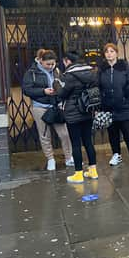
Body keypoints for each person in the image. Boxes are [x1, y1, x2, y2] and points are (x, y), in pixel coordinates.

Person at [22, 49, 73, 171]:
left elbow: (62, 84)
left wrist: (60, 92)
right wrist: (43, 91)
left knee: (64, 133)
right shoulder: (32, 72)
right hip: (40, 105)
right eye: (48, 64)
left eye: (53, 63)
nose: (50, 66)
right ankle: (50, 159)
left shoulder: (56, 71)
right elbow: (26, 90)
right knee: (45, 134)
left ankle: (69, 157)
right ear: (41, 61)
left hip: (55, 105)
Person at [56, 51, 98, 184]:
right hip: (88, 110)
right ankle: (93, 171)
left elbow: (62, 93)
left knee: (76, 143)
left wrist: (56, 84)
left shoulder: (69, 75)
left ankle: (78, 174)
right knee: (88, 142)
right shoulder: (92, 72)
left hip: (73, 113)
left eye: (64, 61)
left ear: (68, 61)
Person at [99, 43, 129, 167]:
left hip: (124, 106)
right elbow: (98, 85)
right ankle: (116, 154)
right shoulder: (102, 68)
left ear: (116, 53)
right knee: (112, 133)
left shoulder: (124, 66)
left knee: (128, 132)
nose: (109, 54)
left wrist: (125, 94)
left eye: (112, 51)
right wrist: (102, 98)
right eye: (107, 52)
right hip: (108, 107)